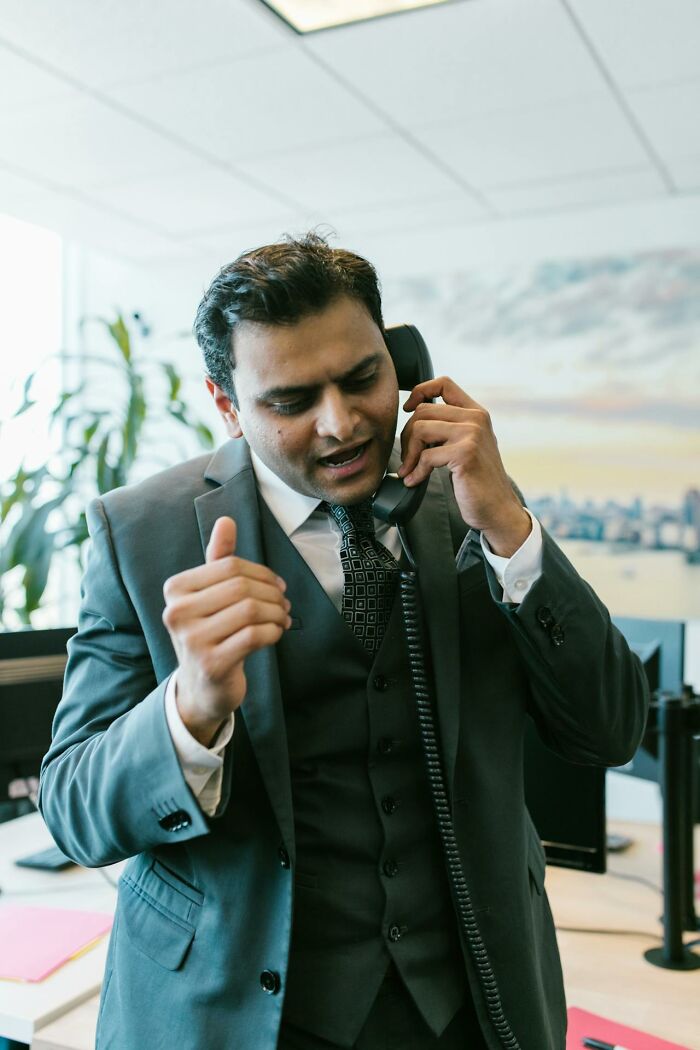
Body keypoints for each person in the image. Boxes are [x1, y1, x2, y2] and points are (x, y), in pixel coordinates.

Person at [39, 233, 648, 1050]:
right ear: (227, 405)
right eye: (290, 401)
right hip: (237, 1016)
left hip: (469, 1002)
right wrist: (189, 709)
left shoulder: (470, 501)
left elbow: (610, 728)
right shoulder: (140, 533)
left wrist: (510, 528)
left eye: (363, 378)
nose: (340, 423)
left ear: (401, 359)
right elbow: (75, 810)